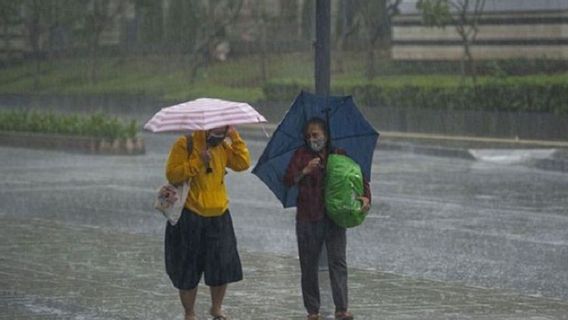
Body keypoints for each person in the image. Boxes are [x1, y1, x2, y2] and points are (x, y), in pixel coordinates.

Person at [284, 117, 371, 320]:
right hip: (308, 216)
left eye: (316, 134)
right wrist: (305, 170)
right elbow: (288, 179)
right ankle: (313, 311)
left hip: (334, 216)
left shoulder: (338, 154)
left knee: (338, 261)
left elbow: (357, 177)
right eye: (308, 136)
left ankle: (341, 308)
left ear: (325, 134)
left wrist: (367, 197)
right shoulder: (301, 155)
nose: (312, 139)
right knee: (308, 264)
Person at [164, 126, 250, 320]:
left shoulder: (223, 147)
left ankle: (216, 308)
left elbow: (243, 163)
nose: (218, 136)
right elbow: (172, 174)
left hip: (219, 214)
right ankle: (189, 312)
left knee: (222, 266)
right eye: (216, 132)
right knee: (188, 268)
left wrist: (235, 138)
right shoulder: (185, 144)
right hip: (190, 215)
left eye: (223, 131)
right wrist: (197, 162)